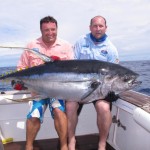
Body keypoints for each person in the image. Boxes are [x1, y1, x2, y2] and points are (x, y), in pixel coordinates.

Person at [15, 16, 73, 150]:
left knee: (59, 111)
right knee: (34, 114)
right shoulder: (31, 46)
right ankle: (28, 146)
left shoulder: (66, 46)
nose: (50, 32)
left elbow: (72, 69)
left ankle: (64, 146)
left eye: (53, 29)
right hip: (38, 91)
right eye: (46, 30)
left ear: (57, 29)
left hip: (58, 91)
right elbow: (21, 67)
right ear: (41, 30)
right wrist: (21, 81)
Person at [66, 15, 119, 150]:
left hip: (101, 88)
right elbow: (71, 65)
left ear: (106, 28)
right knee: (70, 106)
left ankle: (102, 143)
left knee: (104, 108)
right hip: (79, 85)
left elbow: (115, 74)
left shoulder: (111, 49)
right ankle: (71, 139)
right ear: (90, 27)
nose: (98, 29)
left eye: (101, 26)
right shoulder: (80, 41)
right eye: (95, 26)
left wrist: (114, 91)